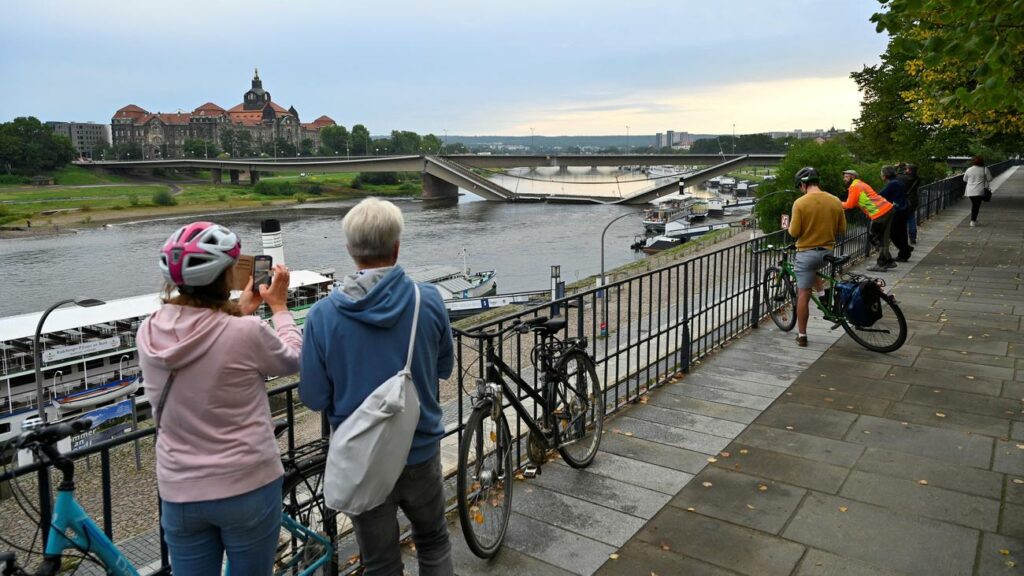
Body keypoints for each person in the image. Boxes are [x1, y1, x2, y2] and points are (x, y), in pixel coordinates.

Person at [299, 198, 454, 576]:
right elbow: (445, 368)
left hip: (363, 459)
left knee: (380, 561)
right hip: (419, 449)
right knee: (433, 540)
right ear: (396, 247)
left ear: (350, 251)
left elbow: (315, 396)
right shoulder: (427, 300)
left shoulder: (322, 316)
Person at [138, 221, 300, 576]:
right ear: (226, 276)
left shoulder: (147, 330)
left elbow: (202, 338)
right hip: (247, 483)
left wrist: (243, 308)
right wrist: (280, 308)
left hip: (180, 489)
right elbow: (292, 359)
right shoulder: (246, 332)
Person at [787, 167, 847, 347]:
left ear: (803, 185)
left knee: (803, 293)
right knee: (815, 272)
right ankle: (823, 298)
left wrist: (790, 227)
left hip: (806, 253)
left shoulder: (800, 203)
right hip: (827, 253)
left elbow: (794, 232)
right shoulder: (835, 200)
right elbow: (842, 229)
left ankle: (802, 335)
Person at [841, 169, 895, 272]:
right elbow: (859, 201)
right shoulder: (861, 184)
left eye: (846, 177)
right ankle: (888, 261)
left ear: (852, 177)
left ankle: (882, 264)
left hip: (880, 213)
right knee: (883, 238)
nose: (844, 179)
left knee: (875, 238)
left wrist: (837, 202)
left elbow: (849, 204)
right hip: (888, 209)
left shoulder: (854, 186)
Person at [878, 165, 913, 262]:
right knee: (902, 232)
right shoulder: (898, 182)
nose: (881, 175)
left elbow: (881, 195)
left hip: (897, 211)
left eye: (881, 173)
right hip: (903, 210)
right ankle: (904, 252)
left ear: (885, 174)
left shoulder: (892, 184)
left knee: (893, 233)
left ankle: (905, 249)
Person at [963, 155, 993, 227]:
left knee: (975, 205)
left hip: (970, 191)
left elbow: (964, 179)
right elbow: (990, 179)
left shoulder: (969, 169)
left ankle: (974, 219)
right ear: (982, 162)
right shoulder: (985, 169)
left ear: (973, 162)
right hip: (979, 191)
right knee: (976, 206)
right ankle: (972, 221)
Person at [899, 163, 921, 244]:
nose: (906, 169)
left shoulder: (903, 178)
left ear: (909, 170)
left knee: (901, 220)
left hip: (905, 201)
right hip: (913, 200)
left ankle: (902, 237)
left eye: (907, 168)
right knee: (911, 218)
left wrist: (899, 167)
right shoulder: (917, 178)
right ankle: (913, 237)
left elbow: (895, 175)